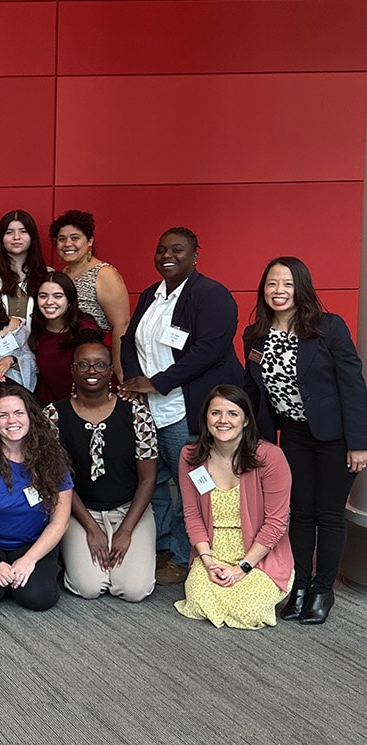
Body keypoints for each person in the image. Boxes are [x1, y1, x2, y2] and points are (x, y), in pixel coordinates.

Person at [242, 257, 367, 624]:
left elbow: (353, 388)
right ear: (262, 290)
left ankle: (322, 592)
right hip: (291, 436)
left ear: (302, 288)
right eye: (271, 284)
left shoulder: (328, 328)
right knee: (299, 513)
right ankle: (300, 585)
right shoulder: (255, 334)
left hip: (335, 438)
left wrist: (359, 443)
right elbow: (252, 391)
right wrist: (252, 438)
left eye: (287, 284)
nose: (278, 291)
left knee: (328, 514)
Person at [120, 227, 245, 584]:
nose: (166, 256)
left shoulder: (211, 295)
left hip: (185, 410)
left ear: (195, 255)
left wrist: (158, 382)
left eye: (176, 249)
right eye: (161, 250)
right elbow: (129, 341)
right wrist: (133, 379)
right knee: (154, 481)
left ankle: (183, 554)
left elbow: (209, 350)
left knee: (191, 484)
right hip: (150, 410)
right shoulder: (150, 295)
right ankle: (157, 546)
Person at [46, 341, 159, 602]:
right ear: (73, 370)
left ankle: (116, 556)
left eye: (99, 364)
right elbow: (58, 480)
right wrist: (91, 528)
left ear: (110, 371)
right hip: (79, 511)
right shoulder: (54, 415)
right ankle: (76, 558)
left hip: (129, 509)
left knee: (133, 590)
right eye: (83, 364)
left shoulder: (136, 414)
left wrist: (126, 530)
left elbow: (148, 478)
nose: (91, 370)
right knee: (89, 588)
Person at [175, 386, 294, 629]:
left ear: (246, 420)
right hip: (212, 551)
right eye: (215, 413)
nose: (223, 420)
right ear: (206, 418)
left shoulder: (270, 457)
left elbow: (276, 523)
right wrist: (207, 561)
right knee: (199, 603)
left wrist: (242, 568)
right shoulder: (190, 456)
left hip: (258, 554)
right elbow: (192, 514)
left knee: (248, 611)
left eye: (232, 413)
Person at [0, 385, 73, 611]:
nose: (12, 420)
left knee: (39, 599)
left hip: (32, 543)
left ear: (30, 416)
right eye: (3, 415)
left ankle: (22, 574)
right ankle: (6, 575)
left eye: (18, 413)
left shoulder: (52, 457)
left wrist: (30, 560)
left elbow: (60, 521)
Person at [50, 210, 130, 378]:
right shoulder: (63, 274)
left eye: (75, 238)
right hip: (71, 361)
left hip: (97, 363)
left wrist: (117, 368)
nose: (67, 244)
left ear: (89, 241)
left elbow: (121, 324)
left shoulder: (104, 273)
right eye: (62, 239)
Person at [30, 272, 103, 404]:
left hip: (89, 405)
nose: (49, 302)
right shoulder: (38, 329)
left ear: (69, 300)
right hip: (55, 407)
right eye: (43, 296)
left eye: (58, 296)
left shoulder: (86, 332)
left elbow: (96, 376)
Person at [0, 209, 49, 323]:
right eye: (9, 232)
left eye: (23, 231)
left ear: (32, 237)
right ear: (1, 238)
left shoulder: (46, 273)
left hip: (36, 340)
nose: (16, 237)